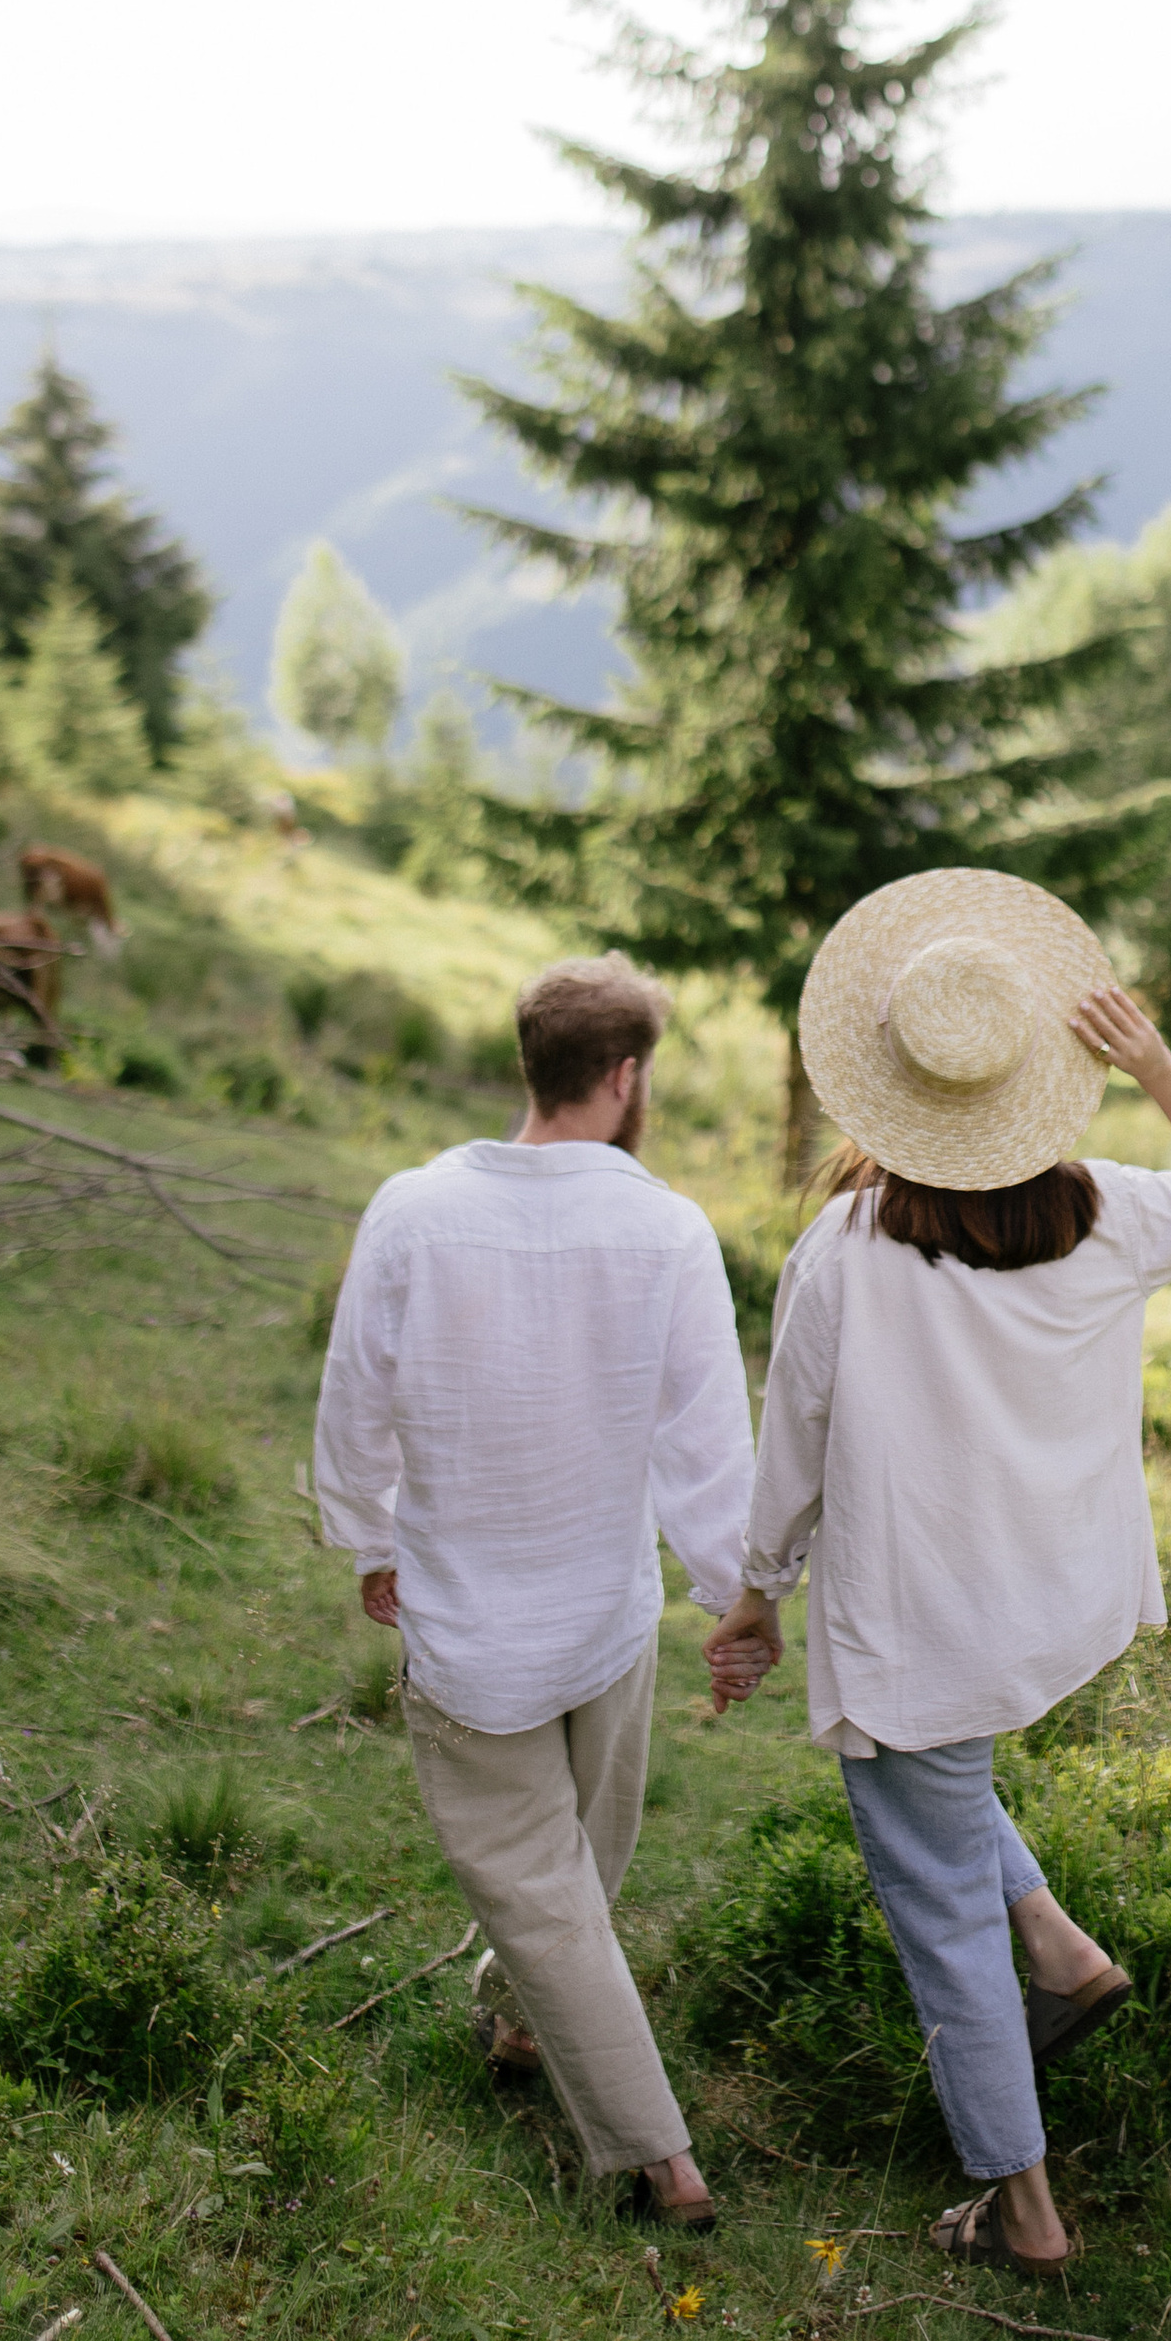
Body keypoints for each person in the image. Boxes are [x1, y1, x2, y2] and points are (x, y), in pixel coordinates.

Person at [704, 868, 1171, 2277]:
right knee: (949, 1795)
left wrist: (757, 1592)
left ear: (878, 1083)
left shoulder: (843, 1253)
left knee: (934, 1901)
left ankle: (1025, 2215)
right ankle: (1065, 1948)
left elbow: (795, 1448)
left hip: (921, 1620)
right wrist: (1154, 1067)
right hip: (1043, 1600)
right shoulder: (1108, 1214)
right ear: (1034, 1073)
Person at [314, 951, 751, 2232]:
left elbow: (356, 1395)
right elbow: (704, 1445)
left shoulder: (412, 1206)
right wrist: (735, 1595)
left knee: (559, 1889)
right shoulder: (669, 1227)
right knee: (563, 1885)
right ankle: (655, 2147)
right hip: (606, 1619)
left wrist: (369, 1537)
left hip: (473, 1620)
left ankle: (571, 2073)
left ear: (533, 1063)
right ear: (625, 1077)